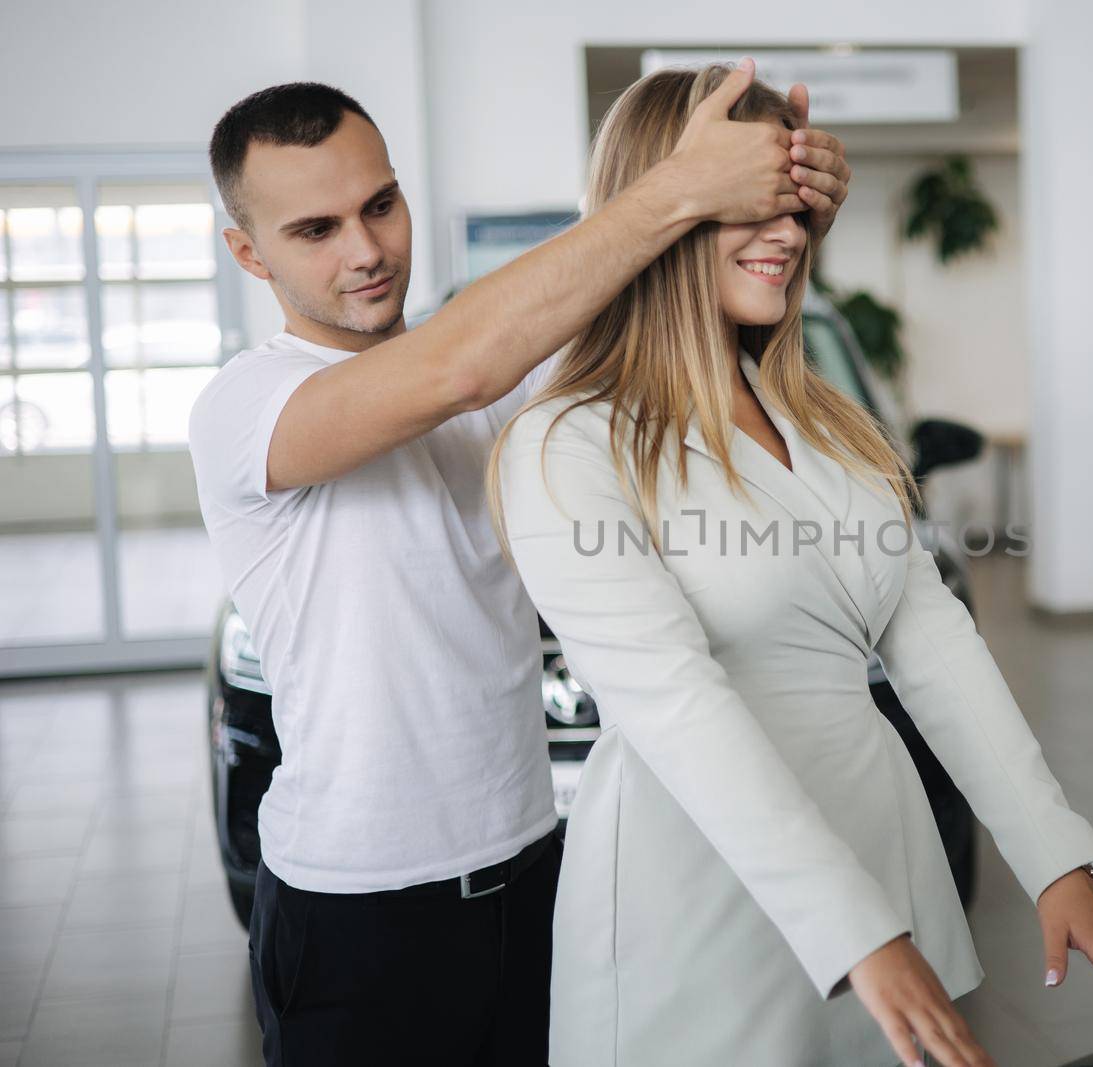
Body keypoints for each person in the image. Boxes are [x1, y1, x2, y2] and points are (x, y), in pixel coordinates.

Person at [490, 66, 1093, 1067]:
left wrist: (1055, 855)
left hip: (879, 852)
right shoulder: (565, 444)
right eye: (752, 204)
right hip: (695, 893)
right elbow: (678, 706)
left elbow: (931, 640)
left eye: (798, 207)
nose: (789, 233)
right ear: (660, 208)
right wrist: (854, 927)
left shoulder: (824, 424)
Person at [188, 65, 854, 1066]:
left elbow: (686, 312)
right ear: (249, 252)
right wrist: (682, 183)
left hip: (534, 871)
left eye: (380, 204)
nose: (367, 250)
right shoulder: (246, 407)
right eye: (315, 230)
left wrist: (784, 202)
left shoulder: (509, 373)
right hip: (356, 915)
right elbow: (458, 368)